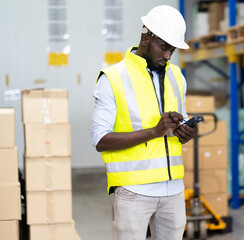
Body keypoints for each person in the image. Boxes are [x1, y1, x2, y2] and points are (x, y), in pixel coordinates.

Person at [91, 5, 197, 240]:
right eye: (164, 47)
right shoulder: (113, 78)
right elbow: (100, 140)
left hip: (174, 190)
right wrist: (155, 131)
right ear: (146, 38)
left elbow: (180, 121)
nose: (168, 55)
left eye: (173, 49)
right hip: (134, 192)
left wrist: (186, 131)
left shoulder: (177, 76)